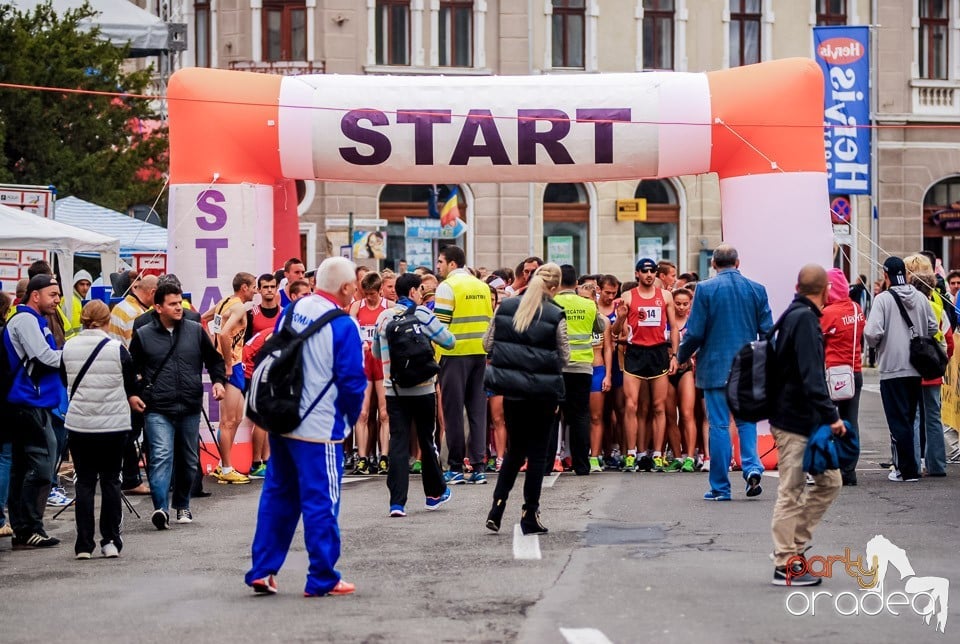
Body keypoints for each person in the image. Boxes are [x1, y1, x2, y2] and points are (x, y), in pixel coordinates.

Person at [245, 256, 365, 597]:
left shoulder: (293, 309)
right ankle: (322, 577)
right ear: (344, 288)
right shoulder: (344, 326)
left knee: (277, 495)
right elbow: (352, 381)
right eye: (352, 286)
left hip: (283, 418)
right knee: (321, 501)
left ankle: (263, 570)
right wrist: (348, 418)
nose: (354, 291)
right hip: (319, 427)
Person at [769, 264, 847, 587]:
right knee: (792, 491)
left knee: (830, 482)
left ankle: (794, 546)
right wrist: (833, 417)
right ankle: (785, 562)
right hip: (795, 420)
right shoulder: (803, 320)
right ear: (825, 289)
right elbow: (811, 376)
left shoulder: (796, 315)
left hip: (801, 418)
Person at [677, 245, 773, 501]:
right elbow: (767, 333)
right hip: (747, 367)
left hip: (715, 366)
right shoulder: (756, 289)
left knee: (719, 424)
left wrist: (681, 356)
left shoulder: (705, 290)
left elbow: (695, 332)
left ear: (713, 264)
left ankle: (720, 487)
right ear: (738, 262)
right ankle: (752, 467)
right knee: (746, 421)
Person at [129, 281, 227, 529]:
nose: (178, 308)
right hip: (158, 407)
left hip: (190, 404)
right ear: (158, 307)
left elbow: (214, 359)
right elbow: (131, 369)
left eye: (179, 302)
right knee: (161, 456)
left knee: (188, 459)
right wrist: (133, 394)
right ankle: (160, 508)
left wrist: (218, 382)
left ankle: (182, 505)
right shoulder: (143, 335)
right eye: (172, 304)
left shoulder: (195, 330)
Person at [484, 264, 569, 535]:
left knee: (514, 451)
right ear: (554, 287)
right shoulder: (556, 313)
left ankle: (497, 506)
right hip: (543, 393)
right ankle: (529, 513)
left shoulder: (506, 307)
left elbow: (488, 344)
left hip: (513, 391)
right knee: (538, 454)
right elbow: (565, 355)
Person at [372, 272, 456, 516]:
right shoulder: (423, 314)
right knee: (426, 441)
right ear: (412, 292)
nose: (421, 294)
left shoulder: (384, 317)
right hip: (423, 389)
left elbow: (377, 354)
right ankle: (434, 494)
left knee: (398, 443)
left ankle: (397, 503)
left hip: (394, 390)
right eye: (420, 290)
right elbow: (448, 341)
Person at [62, 300, 140, 559]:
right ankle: (110, 541)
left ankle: (83, 544)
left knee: (83, 483)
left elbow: (65, 380)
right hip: (112, 425)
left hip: (80, 424)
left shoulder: (69, 347)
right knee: (110, 481)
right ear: (107, 321)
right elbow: (130, 384)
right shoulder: (117, 349)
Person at [3, 274, 65, 548]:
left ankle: (24, 528)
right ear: (35, 295)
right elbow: (44, 357)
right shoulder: (26, 320)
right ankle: (29, 527)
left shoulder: (33, 319)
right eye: (52, 294)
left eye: (58, 294)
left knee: (24, 467)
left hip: (32, 402)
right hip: (29, 403)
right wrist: (77, 353)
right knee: (41, 467)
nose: (57, 299)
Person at [864, 256, 939, 483]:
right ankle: (911, 467)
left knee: (898, 421)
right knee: (909, 416)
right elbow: (933, 326)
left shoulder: (883, 299)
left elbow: (872, 332)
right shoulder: (920, 297)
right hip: (916, 367)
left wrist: (878, 345)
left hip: (892, 367)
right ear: (906, 274)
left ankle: (905, 469)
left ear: (886, 275)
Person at [610, 258, 679, 472]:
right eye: (645, 271)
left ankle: (657, 454)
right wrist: (620, 319)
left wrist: (675, 355)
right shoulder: (628, 296)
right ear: (637, 273)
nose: (649, 274)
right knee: (632, 405)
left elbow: (674, 328)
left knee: (659, 406)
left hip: (658, 352)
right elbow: (614, 333)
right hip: (635, 353)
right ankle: (631, 454)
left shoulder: (665, 296)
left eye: (652, 271)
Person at [435, 245, 493, 484]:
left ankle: (456, 466)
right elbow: (489, 321)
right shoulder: (481, 286)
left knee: (454, 412)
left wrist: (437, 357)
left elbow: (439, 327)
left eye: (440, 262)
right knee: (478, 411)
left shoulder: (447, 286)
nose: (437, 266)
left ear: (452, 264)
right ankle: (479, 466)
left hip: (454, 354)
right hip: (480, 354)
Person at [204, 272, 256, 484]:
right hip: (231, 365)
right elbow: (225, 333)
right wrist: (225, 361)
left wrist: (211, 348)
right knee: (227, 421)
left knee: (235, 418)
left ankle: (223, 466)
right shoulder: (238, 307)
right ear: (244, 287)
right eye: (253, 287)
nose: (256, 291)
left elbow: (203, 319)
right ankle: (225, 469)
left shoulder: (224, 301)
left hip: (232, 364)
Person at [108, 272, 157, 497]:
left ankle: (129, 477)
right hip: (131, 379)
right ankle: (129, 478)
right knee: (131, 430)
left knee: (132, 430)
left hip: (126, 376)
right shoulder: (132, 313)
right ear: (152, 293)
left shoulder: (127, 308)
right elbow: (136, 350)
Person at [555, 265, 604, 476]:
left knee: (552, 414)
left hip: (556, 367)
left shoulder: (550, 303)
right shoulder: (588, 305)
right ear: (576, 283)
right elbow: (599, 329)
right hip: (583, 366)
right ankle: (582, 465)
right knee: (580, 416)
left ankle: (548, 462)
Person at [904, 256, 950, 478]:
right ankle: (938, 465)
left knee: (913, 417)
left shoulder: (906, 305)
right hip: (933, 368)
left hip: (912, 367)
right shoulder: (938, 305)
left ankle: (913, 464)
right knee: (934, 417)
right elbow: (948, 339)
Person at [820, 269, 864, 486]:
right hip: (855, 372)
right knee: (851, 422)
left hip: (833, 374)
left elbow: (817, 339)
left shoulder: (828, 313)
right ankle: (849, 470)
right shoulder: (856, 308)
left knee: (826, 420)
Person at [348, 271, 392, 475]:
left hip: (382, 364)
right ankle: (363, 458)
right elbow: (350, 331)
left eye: (372, 294)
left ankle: (384, 456)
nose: (369, 298)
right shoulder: (357, 307)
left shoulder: (389, 307)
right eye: (366, 294)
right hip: (364, 365)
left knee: (384, 414)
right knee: (363, 413)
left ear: (380, 290)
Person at [666, 287, 698, 472]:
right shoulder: (666, 321)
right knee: (670, 416)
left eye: (685, 304)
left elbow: (699, 343)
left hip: (685, 370)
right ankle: (677, 456)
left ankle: (690, 457)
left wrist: (687, 358)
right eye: (677, 303)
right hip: (667, 370)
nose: (681, 307)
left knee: (687, 414)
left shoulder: (693, 322)